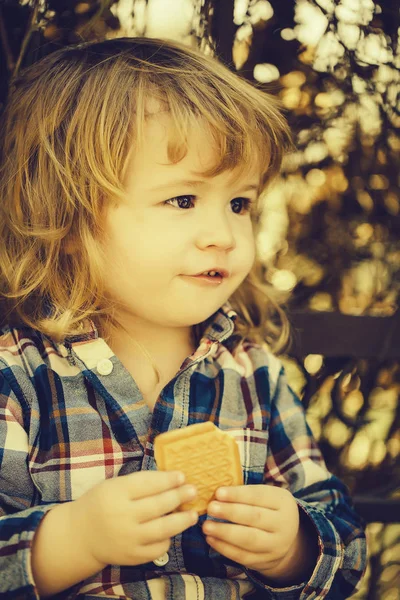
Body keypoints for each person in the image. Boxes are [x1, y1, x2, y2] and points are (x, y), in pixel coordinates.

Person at [0, 37, 366, 600]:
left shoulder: (252, 373)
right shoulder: (17, 378)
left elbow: (343, 548)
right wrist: (74, 538)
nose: (222, 235)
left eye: (239, 204)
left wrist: (294, 547)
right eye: (183, 201)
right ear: (69, 222)